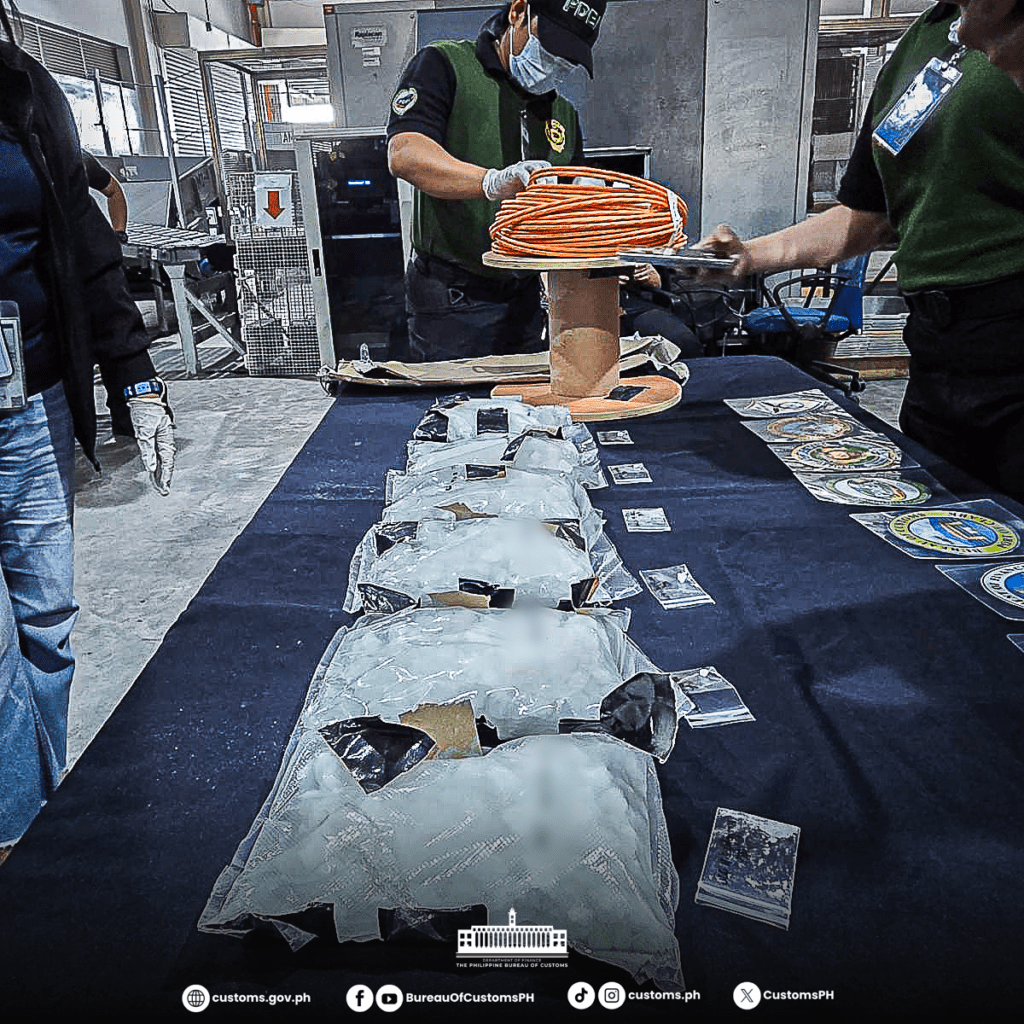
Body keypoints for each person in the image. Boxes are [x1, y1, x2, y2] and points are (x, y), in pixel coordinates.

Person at [698, 1, 1024, 502]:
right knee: (944, 525)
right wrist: (748, 257)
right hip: (939, 350)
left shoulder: (1001, 29)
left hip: (1011, 328)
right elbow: (867, 213)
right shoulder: (925, 38)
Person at [1, 5, 176, 849]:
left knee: (48, 624)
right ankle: (23, 836)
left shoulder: (23, 87)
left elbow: (82, 236)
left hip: (27, 401)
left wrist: (135, 377)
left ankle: (35, 827)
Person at [386, 0, 606, 362]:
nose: (554, 64)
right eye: (549, 47)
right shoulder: (445, 65)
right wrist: (490, 182)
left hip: (525, 297)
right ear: (518, 12)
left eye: (567, 59)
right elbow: (405, 153)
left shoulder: (563, 114)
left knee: (527, 393)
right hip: (452, 298)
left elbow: (567, 207)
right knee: (456, 395)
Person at [83, 150, 136, 437]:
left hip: (92, 271)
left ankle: (125, 421)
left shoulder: (74, 158)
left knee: (114, 347)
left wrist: (118, 233)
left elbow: (113, 190)